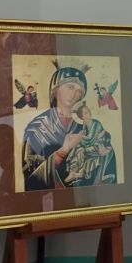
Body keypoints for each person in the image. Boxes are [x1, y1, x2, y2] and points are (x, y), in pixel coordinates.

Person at [22, 62, 89, 191]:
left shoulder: (82, 127)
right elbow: (31, 182)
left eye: (79, 91)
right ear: (56, 89)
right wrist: (62, 152)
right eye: (70, 87)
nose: (74, 94)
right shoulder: (36, 129)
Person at [63, 102, 117, 187]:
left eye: (88, 111)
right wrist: (80, 137)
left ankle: (78, 174)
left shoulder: (96, 124)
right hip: (90, 147)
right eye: (85, 112)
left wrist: (82, 137)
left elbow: (91, 139)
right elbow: (85, 139)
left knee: (82, 150)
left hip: (99, 147)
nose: (89, 113)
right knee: (78, 149)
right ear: (82, 117)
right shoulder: (84, 125)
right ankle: (73, 172)